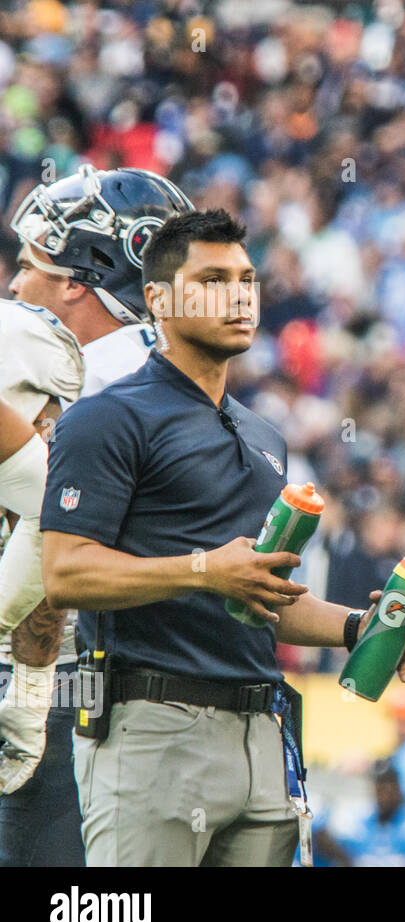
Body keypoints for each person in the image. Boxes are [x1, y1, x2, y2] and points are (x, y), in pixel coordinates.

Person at [38, 209, 405, 866]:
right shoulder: (106, 419)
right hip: (153, 728)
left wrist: (360, 628)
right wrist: (202, 570)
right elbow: (66, 573)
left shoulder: (266, 437)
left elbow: (264, 595)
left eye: (247, 280)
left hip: (264, 734)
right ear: (159, 300)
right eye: (214, 278)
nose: (239, 295)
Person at [0, 164, 192, 866]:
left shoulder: (80, 377)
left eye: (29, 266)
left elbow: (55, 553)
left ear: (80, 278)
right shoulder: (177, 375)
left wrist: (23, 680)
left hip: (68, 690)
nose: (16, 285)